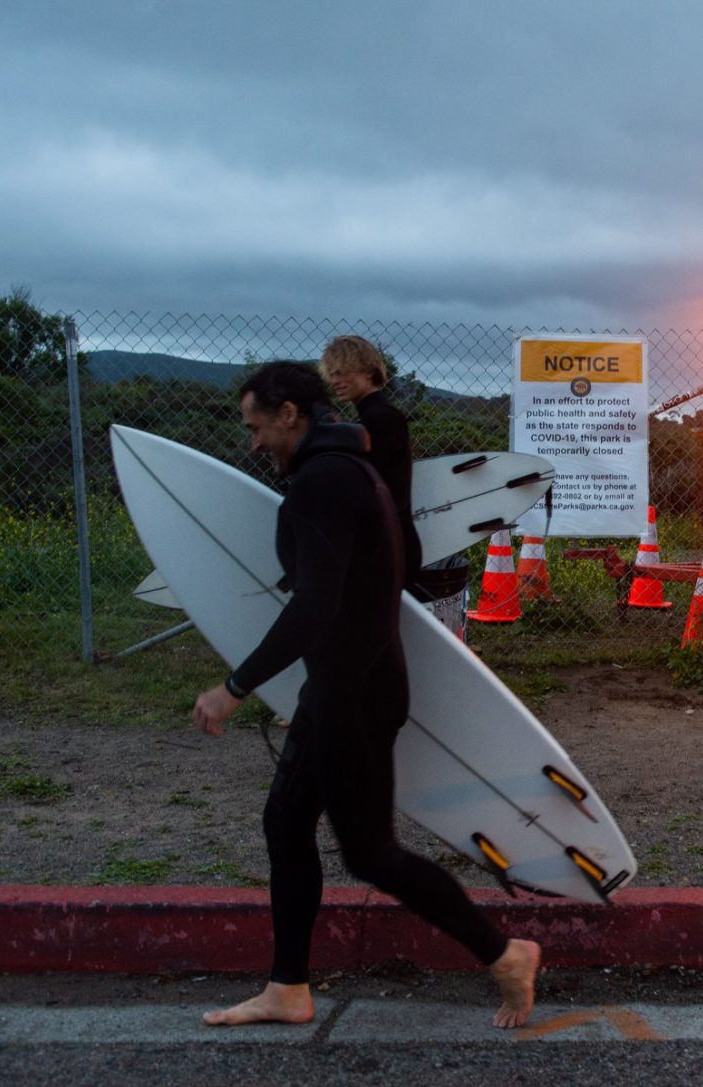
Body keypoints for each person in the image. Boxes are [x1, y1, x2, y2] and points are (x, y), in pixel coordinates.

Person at [191, 360, 539, 1029]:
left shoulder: (325, 481)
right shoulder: (350, 469)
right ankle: (288, 987)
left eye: (257, 425)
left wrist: (235, 688)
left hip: (355, 693)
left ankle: (505, 954)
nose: (253, 442)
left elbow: (314, 607)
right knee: (286, 824)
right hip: (344, 686)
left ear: (290, 412)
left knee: (371, 853)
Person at [320, 335, 426, 594]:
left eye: (342, 372)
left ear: (368, 372)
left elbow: (376, 490)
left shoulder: (379, 419)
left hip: (386, 547)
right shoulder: (378, 416)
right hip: (391, 542)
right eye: (332, 374)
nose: (335, 381)